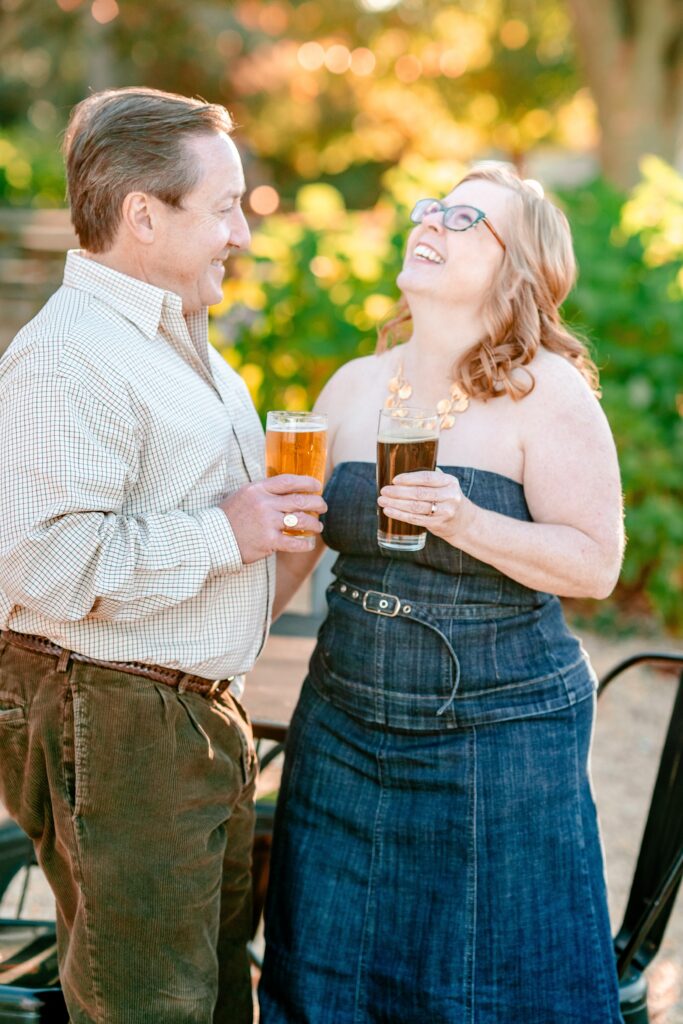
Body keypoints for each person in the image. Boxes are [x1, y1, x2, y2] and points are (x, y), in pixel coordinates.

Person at [259, 164, 625, 1023]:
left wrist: (466, 520)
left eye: (466, 218)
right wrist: (203, 644)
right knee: (322, 971)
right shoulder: (351, 385)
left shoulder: (546, 390)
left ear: (515, 267)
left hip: (497, 737)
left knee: (491, 984)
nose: (433, 220)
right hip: (342, 725)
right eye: (431, 207)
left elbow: (593, 565)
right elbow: (295, 554)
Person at [0, 87, 325, 1024]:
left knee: (215, 1000)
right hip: (115, 717)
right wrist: (231, 529)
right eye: (224, 207)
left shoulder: (183, 341)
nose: (241, 233)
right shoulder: (69, 356)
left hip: (181, 717)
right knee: (149, 1008)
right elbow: (45, 562)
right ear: (143, 215)